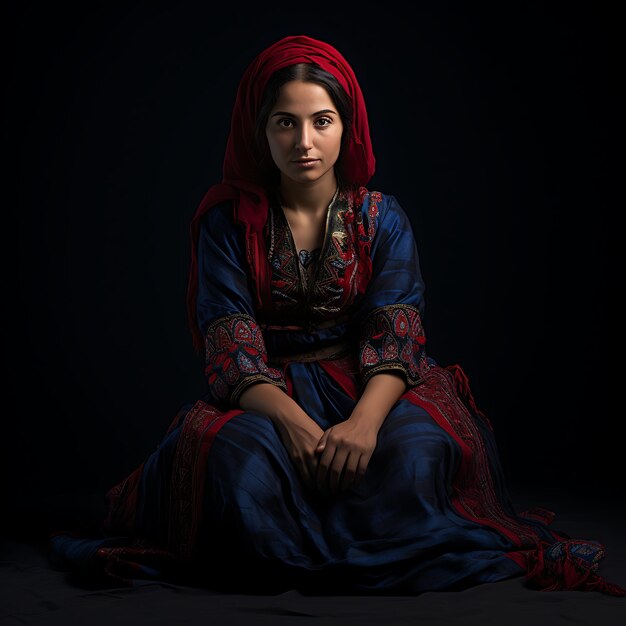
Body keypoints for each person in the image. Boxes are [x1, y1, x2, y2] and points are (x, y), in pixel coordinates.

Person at [50, 34, 624, 597]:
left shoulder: (382, 217)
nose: (304, 141)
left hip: (368, 385)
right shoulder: (226, 222)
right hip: (265, 392)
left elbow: (395, 335)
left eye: (321, 121)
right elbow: (229, 343)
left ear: (346, 127)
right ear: (260, 130)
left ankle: (338, 540)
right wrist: (295, 424)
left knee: (421, 451)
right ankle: (299, 553)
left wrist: (364, 425)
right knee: (234, 460)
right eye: (285, 122)